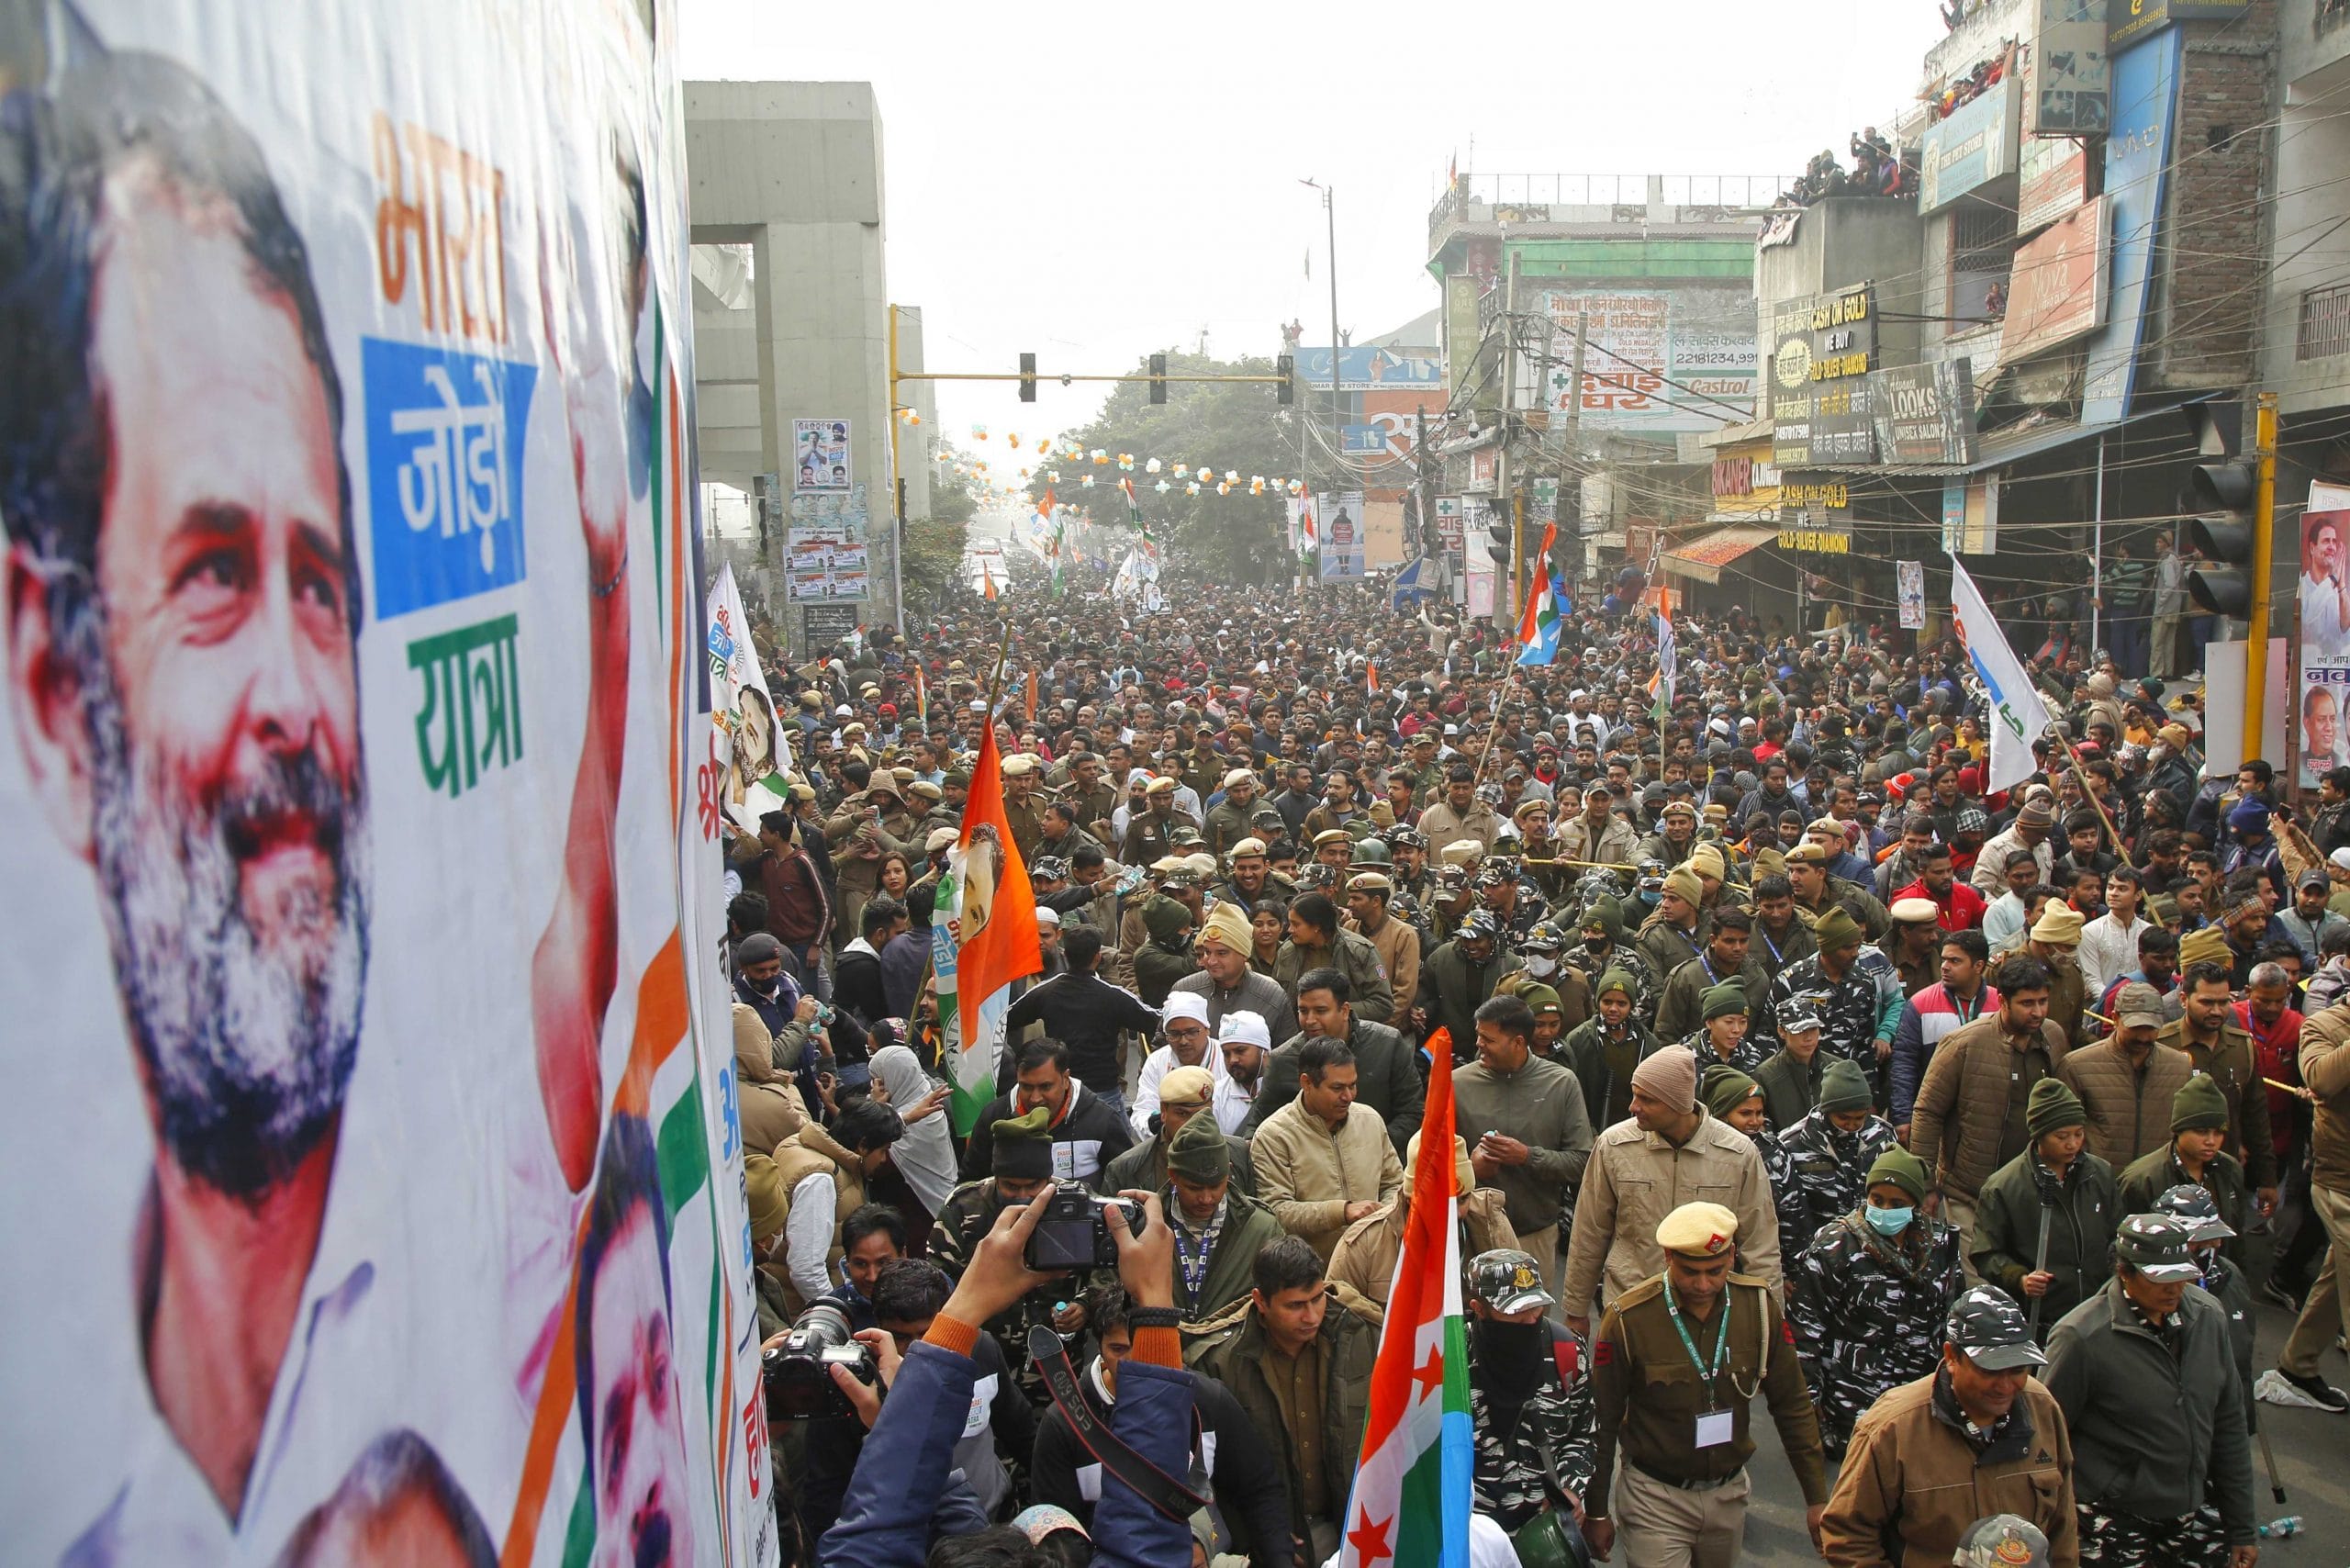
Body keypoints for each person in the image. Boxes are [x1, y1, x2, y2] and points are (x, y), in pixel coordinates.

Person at [823, 1185, 1198, 1568]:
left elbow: (872, 1534)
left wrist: (900, 1413)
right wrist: (1154, 1304)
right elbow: (1144, 1531)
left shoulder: (982, 1353)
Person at [1583, 1203, 1830, 1566]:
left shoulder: (1759, 1309)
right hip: (1655, 1497)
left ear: (1731, 1255)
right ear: (1668, 1257)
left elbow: (1793, 1404)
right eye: (1689, 1271)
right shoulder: (1628, 1319)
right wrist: (1597, 1510)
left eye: (1715, 1271)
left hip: (1728, 1496)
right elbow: (1602, 1420)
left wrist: (1817, 1498)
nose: (1703, 1284)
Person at [2042, 1215, 2259, 1568]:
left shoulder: (2209, 1318)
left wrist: (2242, 1526)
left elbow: (2229, 1424)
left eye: (2181, 1275)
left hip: (2191, 1510)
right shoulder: (2080, 1337)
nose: (2174, 1288)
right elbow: (2046, 1437)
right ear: (2124, 1273)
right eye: (2160, 1278)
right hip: (2111, 1517)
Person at [1818, 1288, 2077, 1568]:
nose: (2005, 1386)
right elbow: (1848, 1535)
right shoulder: (1893, 1427)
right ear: (1952, 1356)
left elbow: (2063, 1528)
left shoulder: (2042, 1408)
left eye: (2017, 1370)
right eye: (1989, 1370)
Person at [1028, 1283, 1290, 1561]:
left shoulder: (1208, 1401)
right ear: (1099, 1348)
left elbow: (1259, 1489)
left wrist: (1279, 1557)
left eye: (1141, 1347)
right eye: (1118, 1349)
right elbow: (1057, 1535)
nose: (1131, 1363)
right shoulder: (1065, 1423)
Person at [1185, 1235, 1380, 1566]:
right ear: (1260, 1301)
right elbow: (1208, 1476)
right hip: (1264, 1543)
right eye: (1295, 1306)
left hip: (1357, 1528)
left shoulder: (1361, 1335)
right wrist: (1266, 1539)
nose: (1312, 1316)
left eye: (1317, 1299)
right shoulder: (1219, 1363)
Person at [1561, 1047, 1781, 1332]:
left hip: (1709, 1311)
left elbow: (1761, 1243)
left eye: (1647, 1099)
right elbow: (1589, 1233)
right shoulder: (1614, 1147)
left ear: (1678, 1104)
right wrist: (1576, 1310)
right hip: (1630, 1307)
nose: (1633, 1107)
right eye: (1635, 1095)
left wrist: (1770, 1319)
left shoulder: (1737, 1153)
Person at [1790, 1148, 1967, 1459]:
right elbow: (1806, 1327)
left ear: (1915, 1205)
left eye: (1897, 1204)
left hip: (1917, 1397)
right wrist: (1808, 1398)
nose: (1885, 1210)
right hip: (1852, 1400)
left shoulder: (1939, 1246)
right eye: (1877, 1200)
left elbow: (1952, 1317)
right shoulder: (1836, 1245)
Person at [1909, 956, 2071, 1272]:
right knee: (1978, 1289)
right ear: (2003, 1001)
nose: (2037, 1012)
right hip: (1969, 1193)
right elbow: (1928, 1112)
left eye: (2042, 1002)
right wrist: (1926, 1185)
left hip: (2032, 1195)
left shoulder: (2053, 1037)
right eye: (2027, 1003)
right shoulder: (1964, 1044)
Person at [1452, 994, 1596, 1278]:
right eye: (1478, 1035)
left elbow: (1582, 1162)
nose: (1478, 1044)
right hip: (1471, 1234)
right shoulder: (1456, 1084)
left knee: (1531, 1309)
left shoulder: (1561, 1084)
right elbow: (1428, 1162)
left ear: (1518, 1042)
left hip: (1535, 1236)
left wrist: (1527, 1156)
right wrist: (1470, 1167)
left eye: (1488, 1039)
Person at [1463, 1249, 1597, 1539]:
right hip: (1473, 1536)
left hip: (1547, 1532)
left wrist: (1571, 1489)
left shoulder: (1567, 1351)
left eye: (1535, 1306)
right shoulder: (1451, 1362)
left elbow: (1584, 1435)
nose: (1530, 1319)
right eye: (1515, 1310)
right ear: (1479, 1308)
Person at [1967, 1079, 2120, 1335]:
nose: (2072, 1144)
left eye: (2078, 1134)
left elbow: (2118, 1234)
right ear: (2039, 1134)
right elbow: (1986, 1252)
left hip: (2099, 1314)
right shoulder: (2004, 1187)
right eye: (2061, 1136)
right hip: (2041, 1320)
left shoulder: (2100, 1174)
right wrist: (2020, 1278)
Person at [1328, 1134, 1519, 1322]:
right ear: (1412, 1200)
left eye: (1462, 1200)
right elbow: (1337, 1325)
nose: (1455, 1213)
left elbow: (1524, 1303)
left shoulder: (1491, 1223)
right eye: (1441, 1203)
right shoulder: (1364, 1243)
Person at [1249, 1037, 1406, 1260]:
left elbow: (1395, 1184)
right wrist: (1341, 1212)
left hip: (1375, 1261)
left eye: (1353, 1085)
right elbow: (1276, 1211)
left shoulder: (1370, 1120)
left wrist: (1383, 1214)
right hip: (1311, 1269)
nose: (1348, 1096)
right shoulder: (1274, 1136)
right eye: (1337, 1088)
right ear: (1306, 1083)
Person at [2271, 979, 2350, 1411]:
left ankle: (2295, 1369)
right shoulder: (2324, 1025)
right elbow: (2320, 1077)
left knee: (2336, 1280)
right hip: (2342, 1182)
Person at [1244, 968, 1425, 1154]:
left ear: (1344, 1010)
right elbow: (1258, 1126)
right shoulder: (1283, 1059)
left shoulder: (1387, 1044)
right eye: (1303, 1011)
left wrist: (1371, 1148)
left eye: (1320, 1011)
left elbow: (1412, 1112)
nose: (1310, 1020)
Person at [2156, 962, 2278, 1212]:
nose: (2216, 1011)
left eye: (2223, 1003)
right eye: (2207, 1002)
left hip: (2225, 1174)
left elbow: (2256, 1116)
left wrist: (2267, 1179)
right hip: (2171, 1176)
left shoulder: (2242, 1047)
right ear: (2184, 1000)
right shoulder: (2162, 1045)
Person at [1005, 927, 1163, 1119]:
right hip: (1104, 1093)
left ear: (1066, 954)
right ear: (1097, 957)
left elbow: (1007, 1019)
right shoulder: (1113, 996)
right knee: (1119, 1139)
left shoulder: (1046, 991)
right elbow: (1156, 1021)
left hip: (1063, 1093)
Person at [1765, 1057, 1899, 1255]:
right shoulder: (1794, 1143)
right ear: (1827, 1110)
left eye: (1859, 1118)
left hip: (1874, 1249)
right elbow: (1786, 1210)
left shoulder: (1882, 1135)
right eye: (1843, 1117)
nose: (1852, 1125)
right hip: (1818, 1251)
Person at [959, 1039, 1136, 1190]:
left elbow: (1128, 1187)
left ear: (1065, 1079)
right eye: (1026, 1087)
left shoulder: (1103, 1121)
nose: (1035, 1098)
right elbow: (968, 1188)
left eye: (1045, 1087)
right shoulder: (994, 1117)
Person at [2057, 981, 2194, 1170]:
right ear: (2115, 1018)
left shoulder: (2179, 1068)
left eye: (2151, 1028)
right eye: (2135, 1028)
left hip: (2157, 1180)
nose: (2143, 1037)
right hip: (2098, 1180)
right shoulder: (2077, 1067)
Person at [2115, 1073, 2250, 1244]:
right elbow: (2124, 1243)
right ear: (2178, 1129)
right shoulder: (2142, 1180)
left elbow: (2236, 1239)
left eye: (2219, 1132)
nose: (2211, 1141)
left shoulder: (2230, 1169)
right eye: (2201, 1131)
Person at [1888, 929, 1998, 1136]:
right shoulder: (1920, 1004)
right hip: (1934, 1116)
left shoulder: (2000, 1004)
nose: (1944, 967)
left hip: (1987, 1116)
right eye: (1944, 959)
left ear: (1978, 966)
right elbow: (1904, 1063)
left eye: (1955, 961)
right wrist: (1902, 1116)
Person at [1104, 1065, 1258, 1199]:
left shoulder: (1238, 1153)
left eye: (1200, 1114)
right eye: (1182, 1114)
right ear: (1164, 1111)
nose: (1192, 1124)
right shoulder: (1126, 1168)